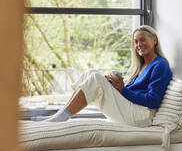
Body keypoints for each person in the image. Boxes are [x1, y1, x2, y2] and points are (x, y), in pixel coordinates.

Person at [33, 25, 172, 127]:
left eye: (142, 40)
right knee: (91, 73)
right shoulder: (141, 65)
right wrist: (114, 84)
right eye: (135, 42)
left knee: (95, 78)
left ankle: (59, 118)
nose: (139, 45)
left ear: (154, 40)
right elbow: (133, 91)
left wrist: (123, 90)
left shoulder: (160, 65)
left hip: (141, 116)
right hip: (132, 108)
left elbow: (153, 101)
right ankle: (61, 115)